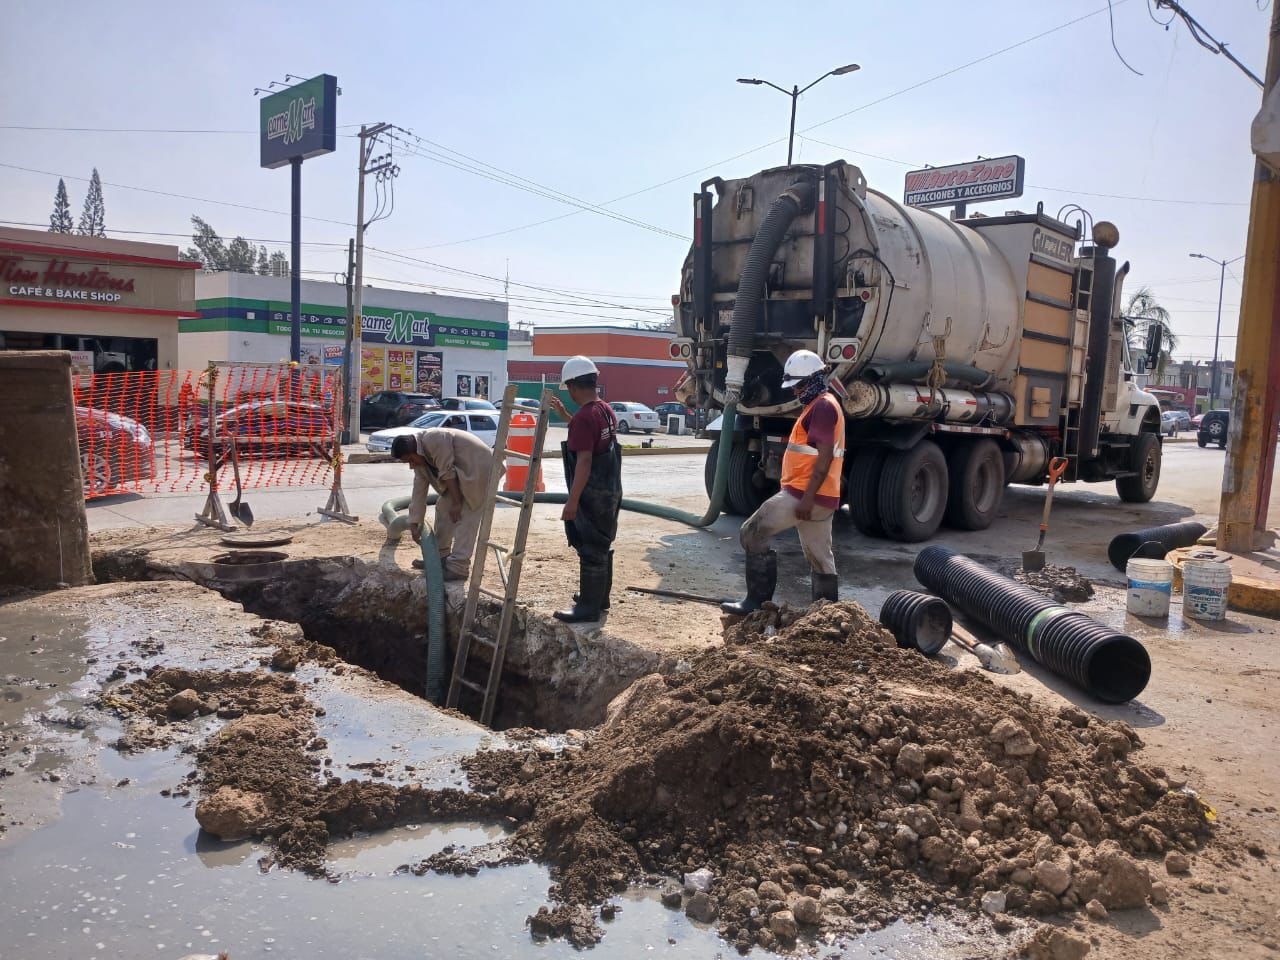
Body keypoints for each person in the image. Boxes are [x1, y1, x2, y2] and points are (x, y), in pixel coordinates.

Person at [722, 349, 844, 615]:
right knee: (821, 560)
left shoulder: (822, 406)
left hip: (804, 494)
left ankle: (756, 604)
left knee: (751, 532)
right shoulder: (823, 403)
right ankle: (827, 617)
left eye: (799, 385)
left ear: (812, 380)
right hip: (823, 495)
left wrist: (808, 498)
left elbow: (823, 456)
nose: (796, 391)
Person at [544, 356, 622, 622]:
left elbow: (585, 460)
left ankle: (588, 608)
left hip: (592, 493)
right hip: (610, 490)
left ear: (575, 386)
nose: (571, 394)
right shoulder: (604, 410)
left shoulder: (584, 418)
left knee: (590, 547)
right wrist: (567, 417)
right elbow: (589, 434)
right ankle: (599, 597)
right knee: (602, 542)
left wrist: (572, 501)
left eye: (570, 389)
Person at [391, 428, 503, 581]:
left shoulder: (433, 438)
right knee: (443, 507)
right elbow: (419, 490)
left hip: (480, 471)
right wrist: (415, 521)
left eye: (410, 459)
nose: (411, 465)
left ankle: (458, 567)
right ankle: (439, 558)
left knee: (467, 516)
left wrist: (457, 503)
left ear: (414, 450)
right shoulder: (420, 459)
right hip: (461, 476)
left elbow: (447, 471)